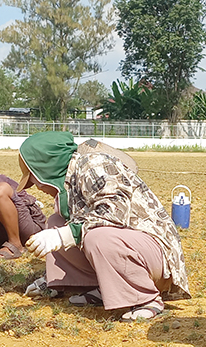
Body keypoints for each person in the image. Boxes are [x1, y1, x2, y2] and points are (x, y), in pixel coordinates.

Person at [18, 132, 188, 320]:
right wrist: (50, 277)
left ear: (47, 167)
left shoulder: (94, 166)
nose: (37, 186)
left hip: (155, 254)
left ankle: (146, 298)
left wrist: (62, 236)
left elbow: (113, 213)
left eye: (34, 178)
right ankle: (96, 286)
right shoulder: (70, 180)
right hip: (129, 245)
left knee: (96, 237)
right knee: (56, 222)